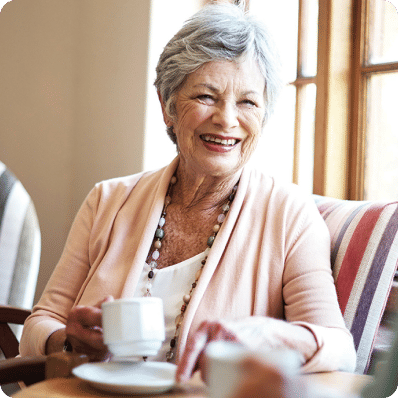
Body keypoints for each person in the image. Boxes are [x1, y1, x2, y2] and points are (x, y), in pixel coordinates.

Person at [19, 2, 356, 381]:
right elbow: (39, 326)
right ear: (168, 108)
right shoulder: (106, 201)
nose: (227, 120)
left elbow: (340, 349)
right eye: (206, 96)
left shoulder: (290, 215)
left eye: (248, 101)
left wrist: (267, 334)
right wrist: (68, 341)